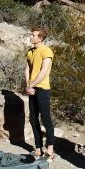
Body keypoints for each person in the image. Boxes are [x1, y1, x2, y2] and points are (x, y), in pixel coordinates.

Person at [25, 27, 55, 161]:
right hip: (31, 89)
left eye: (33, 35)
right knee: (33, 118)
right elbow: (27, 69)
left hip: (42, 88)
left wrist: (32, 84)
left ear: (40, 38)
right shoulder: (30, 52)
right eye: (31, 34)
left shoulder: (46, 50)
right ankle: (38, 147)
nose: (31, 37)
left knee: (46, 118)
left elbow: (44, 71)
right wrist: (28, 85)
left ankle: (50, 149)